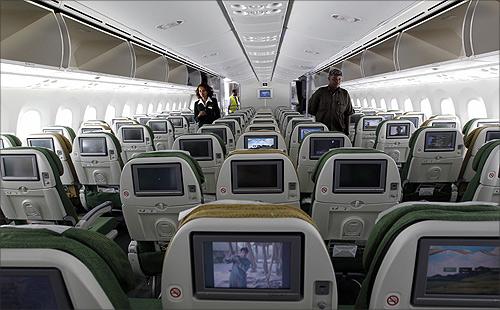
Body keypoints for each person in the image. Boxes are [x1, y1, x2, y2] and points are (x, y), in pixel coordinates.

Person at [308, 68, 354, 136]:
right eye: (334, 79)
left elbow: (348, 114)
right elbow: (311, 110)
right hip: (322, 131)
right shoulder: (320, 92)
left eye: (339, 79)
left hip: (339, 131)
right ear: (329, 78)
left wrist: (347, 132)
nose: (337, 81)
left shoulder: (345, 94)